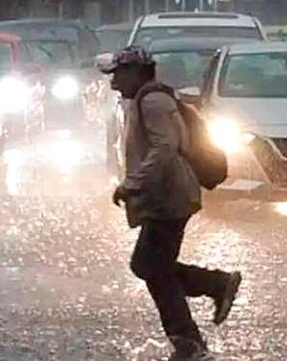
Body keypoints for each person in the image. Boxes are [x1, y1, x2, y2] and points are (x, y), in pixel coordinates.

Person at [100, 46, 242, 361]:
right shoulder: (148, 100)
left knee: (151, 267)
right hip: (164, 195)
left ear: (136, 73)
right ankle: (196, 320)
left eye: (119, 74)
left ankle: (193, 328)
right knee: (152, 266)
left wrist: (133, 185)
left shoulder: (153, 101)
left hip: (169, 196)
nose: (114, 82)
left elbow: (165, 147)